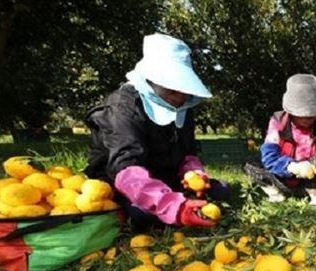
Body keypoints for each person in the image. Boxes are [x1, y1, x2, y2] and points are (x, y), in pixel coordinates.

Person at [84, 33, 229, 229]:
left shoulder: (181, 106)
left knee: (222, 191)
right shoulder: (123, 108)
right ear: (151, 82)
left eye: (184, 91)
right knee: (141, 213)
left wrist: (192, 172)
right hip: (128, 186)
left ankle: (173, 201)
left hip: (163, 177)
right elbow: (127, 171)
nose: (180, 97)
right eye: (173, 90)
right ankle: (166, 207)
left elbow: (188, 151)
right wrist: (175, 208)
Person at [245, 74, 316, 205]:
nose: (306, 118)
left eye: (311, 115)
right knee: (250, 163)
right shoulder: (278, 123)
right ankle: (276, 195)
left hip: (312, 183)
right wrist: (292, 166)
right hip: (282, 180)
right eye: (301, 114)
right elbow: (269, 157)